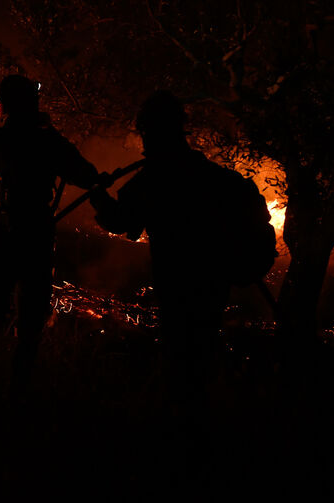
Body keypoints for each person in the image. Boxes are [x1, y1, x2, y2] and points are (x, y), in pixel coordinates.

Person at [89, 90, 234, 409]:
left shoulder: (152, 179)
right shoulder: (209, 174)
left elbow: (117, 220)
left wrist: (97, 195)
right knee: (203, 357)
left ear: (150, 132)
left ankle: (179, 432)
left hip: (178, 285)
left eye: (145, 133)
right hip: (215, 283)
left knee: (179, 363)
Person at [0, 74, 99, 405]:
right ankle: (19, 395)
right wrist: (49, 134)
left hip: (0, 232)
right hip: (36, 235)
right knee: (30, 321)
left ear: (3, 105)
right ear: (34, 105)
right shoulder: (50, 144)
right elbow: (86, 175)